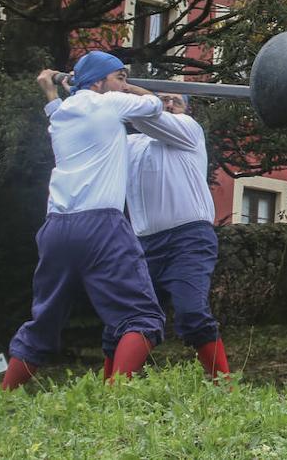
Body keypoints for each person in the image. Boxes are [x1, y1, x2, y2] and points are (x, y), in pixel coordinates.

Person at [3, 52, 166, 390]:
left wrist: (52, 89)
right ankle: (116, 396)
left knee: (44, 319)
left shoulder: (62, 115)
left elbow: (54, 109)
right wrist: (130, 88)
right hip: (101, 225)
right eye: (118, 76)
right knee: (143, 317)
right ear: (98, 82)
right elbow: (154, 106)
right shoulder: (109, 104)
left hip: (56, 229)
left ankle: (4, 394)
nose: (122, 83)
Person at [48, 91, 231, 381]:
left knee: (192, 312)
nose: (169, 105)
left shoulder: (187, 130)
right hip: (143, 243)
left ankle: (225, 384)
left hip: (189, 239)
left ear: (187, 110)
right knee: (123, 319)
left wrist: (121, 90)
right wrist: (70, 95)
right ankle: (113, 390)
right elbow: (82, 132)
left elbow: (144, 114)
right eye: (164, 99)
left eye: (176, 101)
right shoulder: (129, 144)